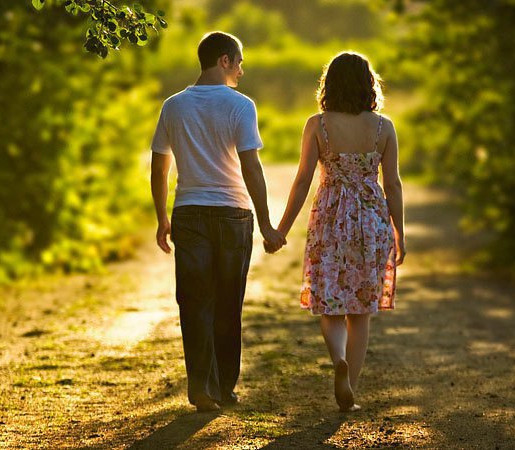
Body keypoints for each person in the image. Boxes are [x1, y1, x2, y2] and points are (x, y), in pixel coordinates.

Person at [150, 31, 286, 413]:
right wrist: (266, 223)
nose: (242, 70)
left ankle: (202, 388)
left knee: (194, 302)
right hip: (232, 214)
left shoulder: (173, 106)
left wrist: (162, 217)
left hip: (189, 212)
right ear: (224, 60)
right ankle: (225, 388)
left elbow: (159, 167)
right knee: (229, 302)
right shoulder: (240, 105)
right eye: (239, 61)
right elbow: (251, 166)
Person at [274, 51, 406, 411]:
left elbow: (302, 181)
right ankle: (350, 386)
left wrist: (282, 228)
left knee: (330, 303)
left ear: (329, 83)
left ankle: (338, 362)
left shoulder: (318, 125)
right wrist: (400, 232)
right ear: (369, 84)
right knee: (360, 311)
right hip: (371, 220)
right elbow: (392, 184)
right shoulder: (383, 128)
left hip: (330, 217)